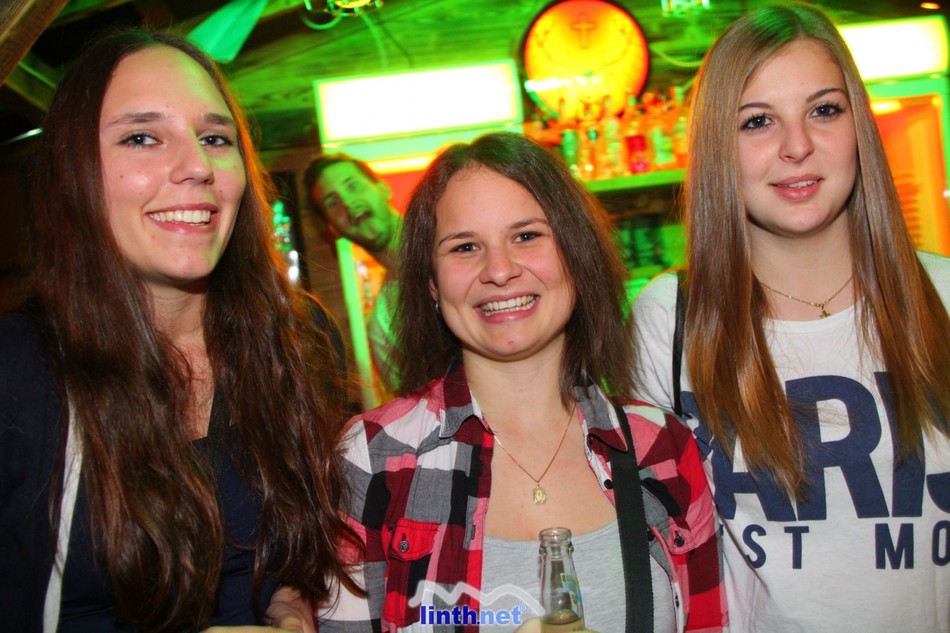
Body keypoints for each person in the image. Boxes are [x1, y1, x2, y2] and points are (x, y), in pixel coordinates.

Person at [0, 28, 360, 632]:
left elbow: (313, 537)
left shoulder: (301, 341)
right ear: (74, 171)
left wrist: (293, 594)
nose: (197, 167)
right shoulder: (17, 371)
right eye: (141, 137)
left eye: (215, 138)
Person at [318, 132, 727, 632]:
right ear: (431, 283)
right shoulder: (372, 460)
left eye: (527, 236)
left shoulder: (663, 449)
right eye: (465, 246)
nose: (499, 270)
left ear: (575, 254)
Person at [631, 4, 950, 633]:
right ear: (719, 147)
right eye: (757, 121)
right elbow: (649, 548)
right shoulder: (671, 320)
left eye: (824, 110)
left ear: (859, 125)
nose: (797, 145)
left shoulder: (942, 294)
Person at [305, 154, 403, 395]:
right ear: (334, 229)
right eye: (332, 203)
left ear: (383, 189)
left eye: (353, 186)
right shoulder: (384, 325)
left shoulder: (457, 241)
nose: (348, 203)